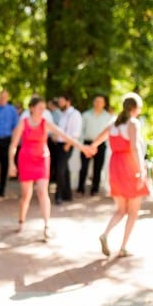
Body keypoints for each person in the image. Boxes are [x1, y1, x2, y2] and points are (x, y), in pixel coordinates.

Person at [9, 97, 92, 240]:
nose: (43, 111)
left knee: (42, 192)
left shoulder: (45, 123)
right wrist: (11, 163)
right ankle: (21, 221)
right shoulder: (23, 123)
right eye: (40, 108)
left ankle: (46, 226)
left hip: (42, 159)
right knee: (26, 196)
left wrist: (82, 147)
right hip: (26, 160)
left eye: (44, 108)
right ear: (32, 108)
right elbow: (14, 145)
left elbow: (64, 135)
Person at [91, 93, 150, 258]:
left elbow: (98, 139)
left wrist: (91, 148)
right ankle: (123, 247)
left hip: (115, 165)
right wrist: (141, 171)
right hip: (129, 166)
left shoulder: (113, 123)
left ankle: (105, 233)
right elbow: (134, 148)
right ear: (134, 108)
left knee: (121, 209)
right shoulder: (132, 123)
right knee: (133, 210)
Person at [78, 95, 114, 195]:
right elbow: (81, 130)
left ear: (104, 104)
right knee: (84, 167)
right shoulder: (86, 115)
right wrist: (81, 145)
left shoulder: (108, 117)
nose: (98, 103)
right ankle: (81, 188)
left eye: (100, 102)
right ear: (93, 102)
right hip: (87, 143)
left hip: (101, 145)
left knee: (97, 168)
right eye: (96, 101)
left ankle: (95, 189)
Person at [52, 95, 82, 204]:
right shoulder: (62, 114)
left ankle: (58, 195)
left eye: (61, 101)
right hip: (59, 144)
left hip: (67, 145)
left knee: (60, 170)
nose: (59, 103)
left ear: (68, 101)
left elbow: (75, 132)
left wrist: (68, 145)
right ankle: (67, 194)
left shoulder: (75, 114)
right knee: (64, 169)